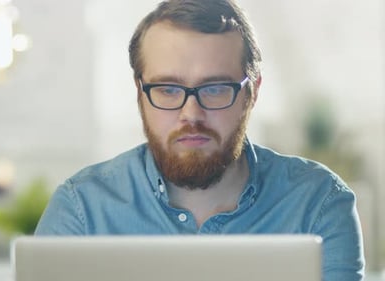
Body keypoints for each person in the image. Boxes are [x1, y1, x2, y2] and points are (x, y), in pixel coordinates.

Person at [35, 0, 365, 280]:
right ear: (140, 93)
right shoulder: (81, 211)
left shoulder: (319, 206)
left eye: (215, 88)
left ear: (252, 93)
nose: (191, 114)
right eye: (167, 89)